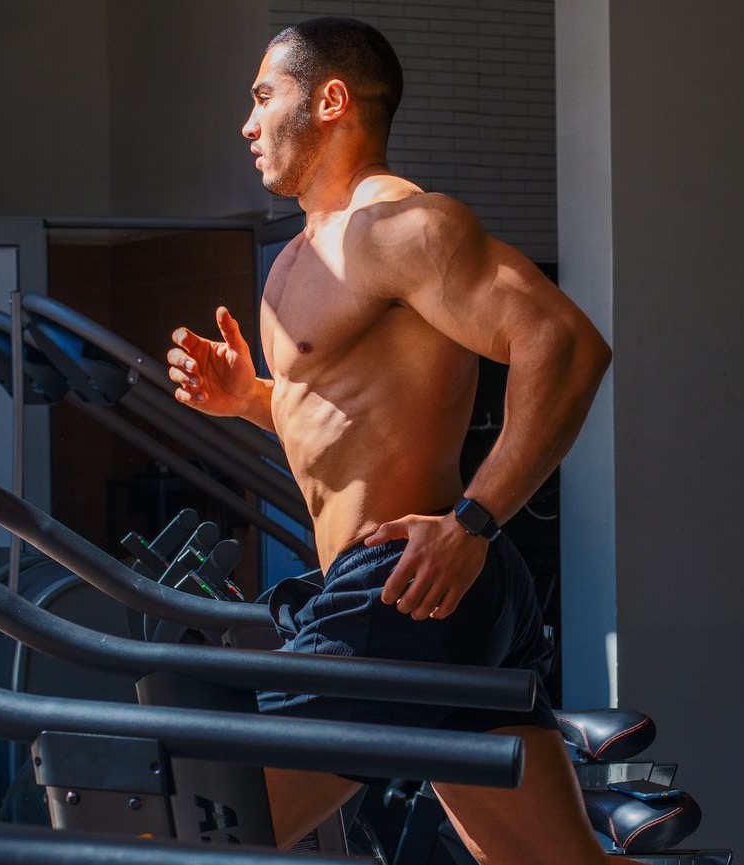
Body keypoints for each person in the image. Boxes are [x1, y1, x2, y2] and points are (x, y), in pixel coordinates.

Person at [167, 17, 612, 865]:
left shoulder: (399, 229)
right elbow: (350, 422)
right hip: (420, 590)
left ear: (329, 100)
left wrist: (474, 523)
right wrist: (251, 399)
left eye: (265, 98)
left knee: (210, 829)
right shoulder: (300, 257)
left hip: (406, 587)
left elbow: (564, 345)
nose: (247, 123)